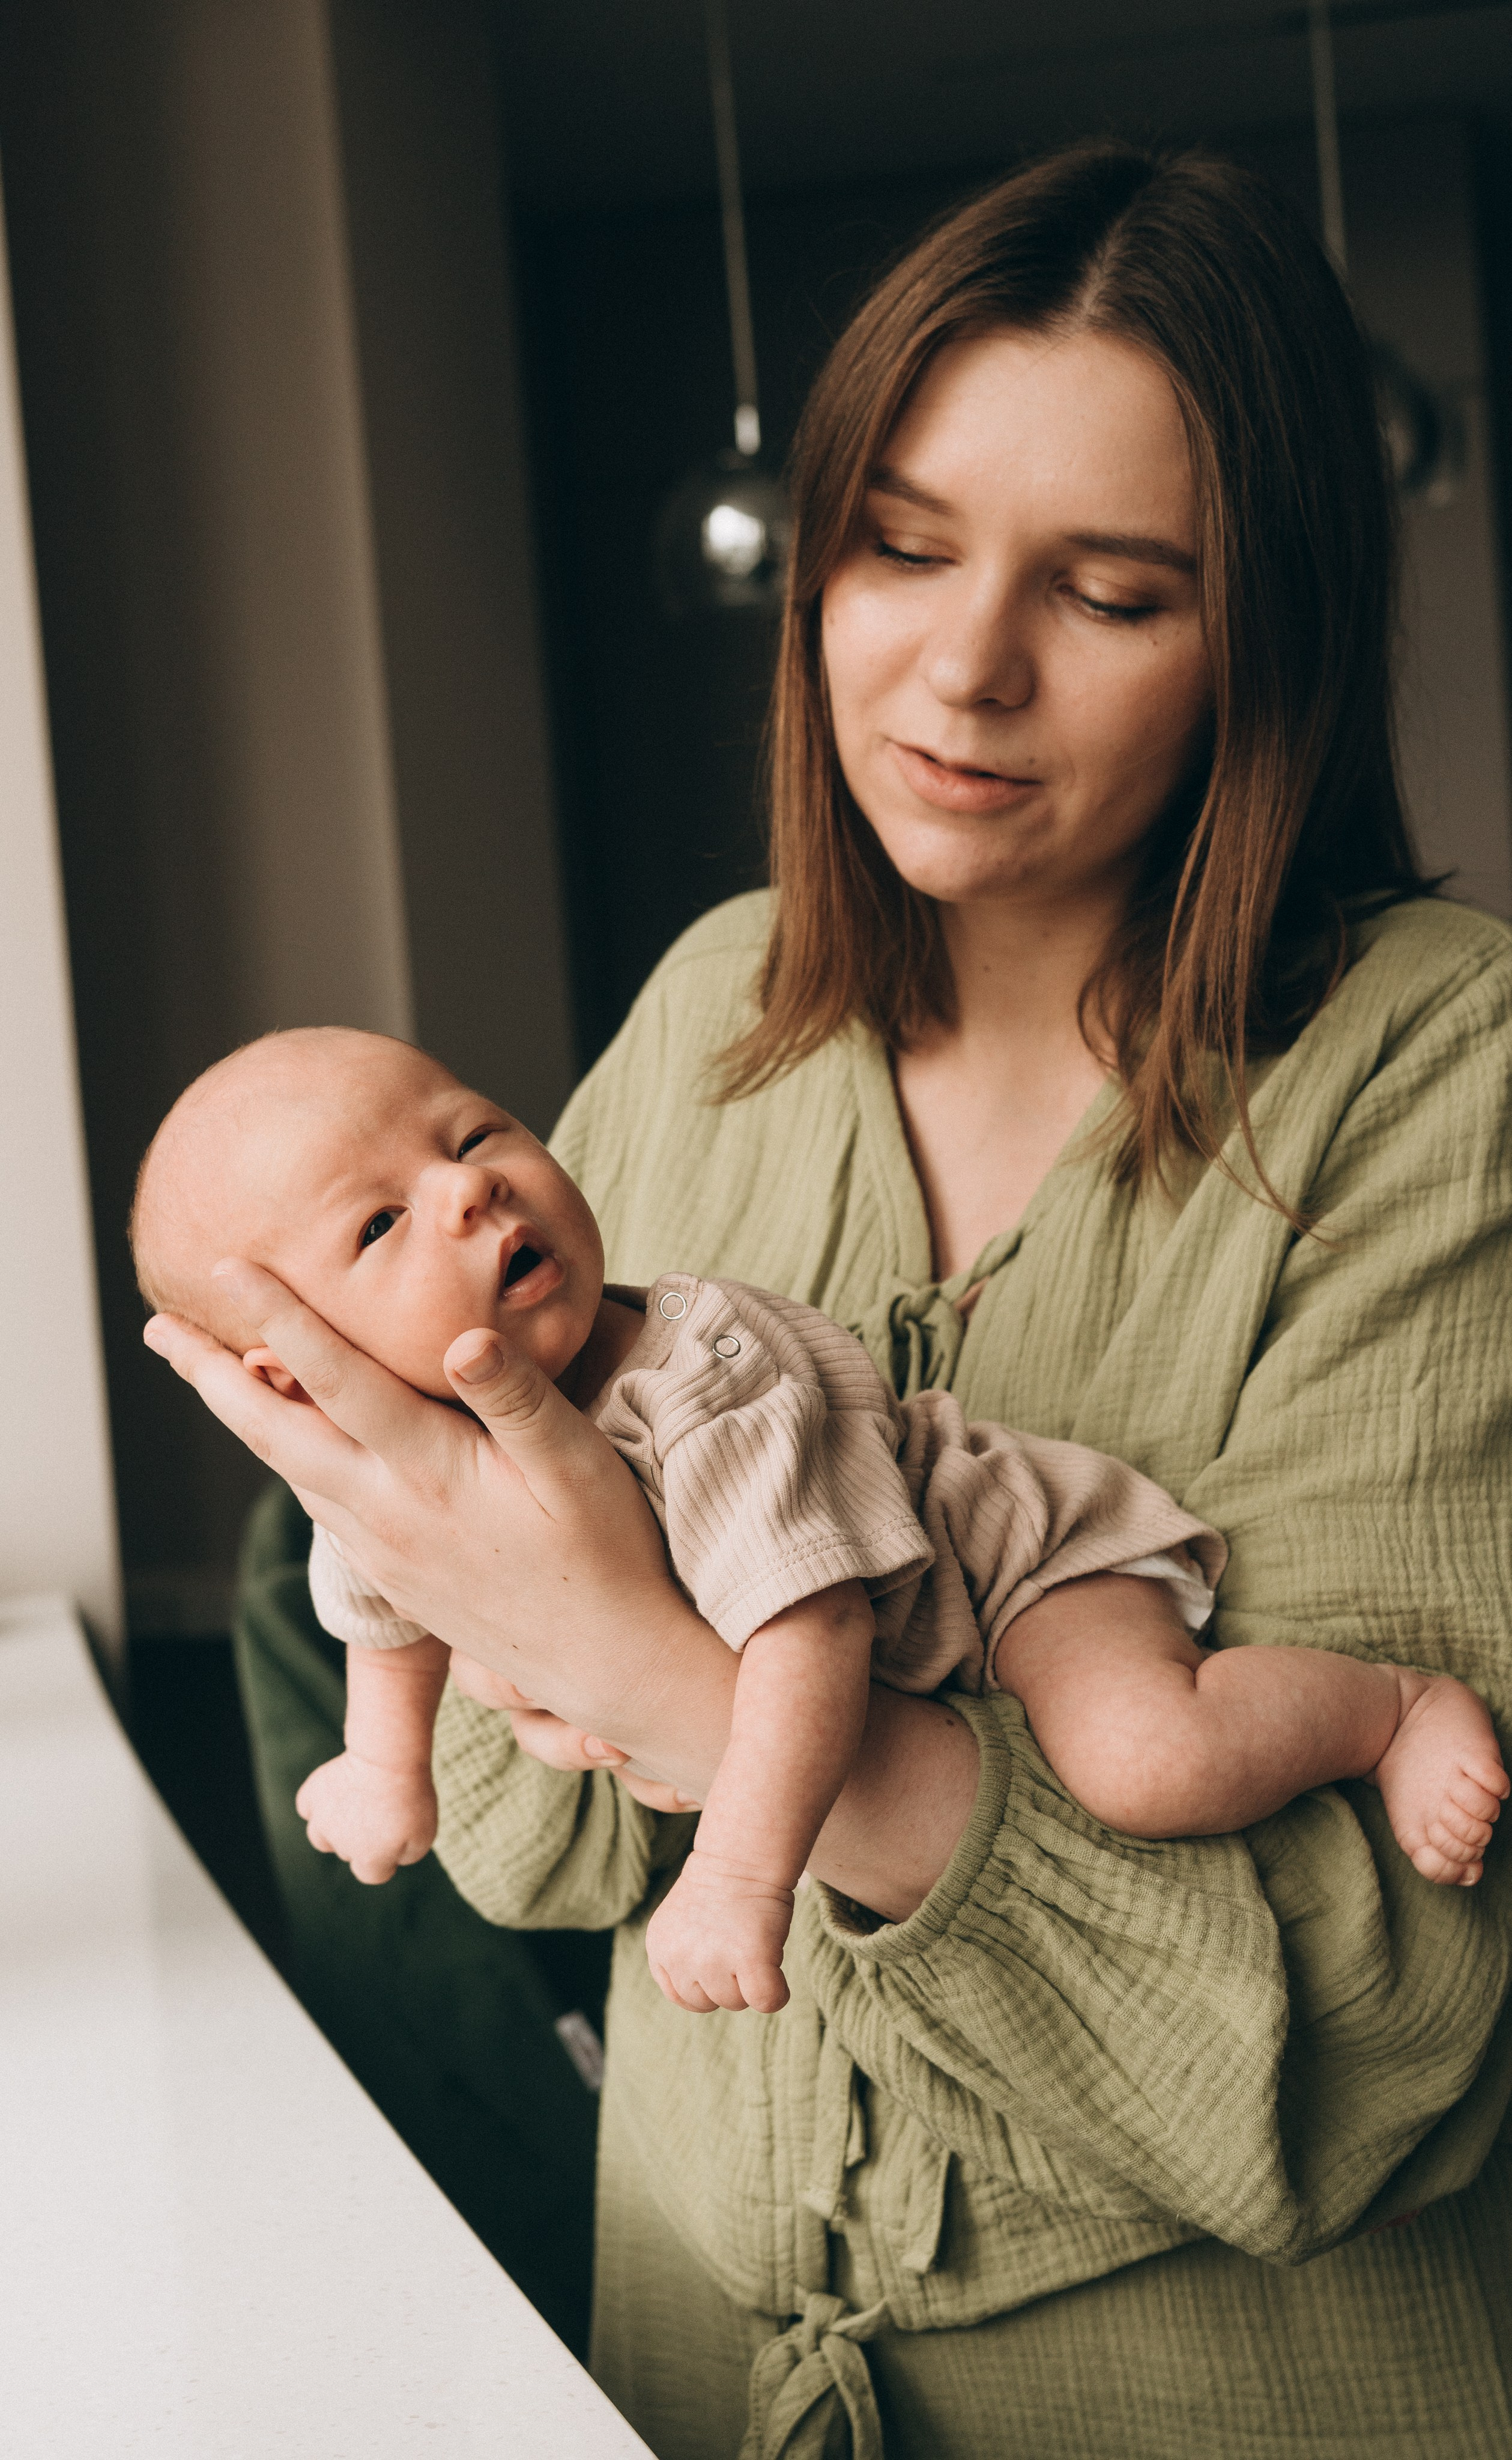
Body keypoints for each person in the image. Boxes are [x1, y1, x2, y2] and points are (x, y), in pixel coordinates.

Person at [143, 141, 1512, 2458]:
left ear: (1253, 633)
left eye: (1105, 590)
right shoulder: (706, 1016)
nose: (959, 668)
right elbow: (521, 1835)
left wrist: (665, 1675)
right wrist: (543, 1657)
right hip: (684, 2358)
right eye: (893, 546)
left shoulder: (1432, 1061)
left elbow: (1358, 2035)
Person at [132, 1028, 1502, 2002]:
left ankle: (1384, 1705)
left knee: (1146, 1758)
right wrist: (390, 1766)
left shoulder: (698, 1375)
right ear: (290, 1359)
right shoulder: (401, 1465)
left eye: (473, 1131)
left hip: (1008, 1565)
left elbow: (813, 1632)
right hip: (901, 1660)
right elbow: (392, 1604)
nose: (468, 1186)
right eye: (376, 1225)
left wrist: (739, 1873)